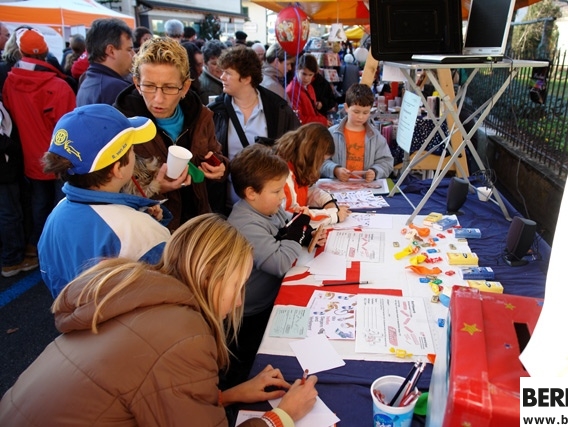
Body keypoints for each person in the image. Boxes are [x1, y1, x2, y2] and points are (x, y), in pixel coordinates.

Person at [0, 213, 319, 426]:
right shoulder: (184, 336)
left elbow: (144, 389)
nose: (238, 301)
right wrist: (283, 416)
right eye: (236, 287)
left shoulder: (140, 295)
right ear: (208, 276)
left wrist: (228, 395)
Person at [38, 104, 172, 298]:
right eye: (132, 150)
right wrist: (145, 225)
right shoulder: (141, 233)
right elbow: (170, 293)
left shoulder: (57, 212)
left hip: (73, 313)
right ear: (117, 169)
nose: (135, 154)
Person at [226, 143, 325, 389]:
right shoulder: (245, 224)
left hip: (269, 297)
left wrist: (307, 235)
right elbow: (280, 262)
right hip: (249, 313)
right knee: (249, 362)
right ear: (251, 193)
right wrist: (297, 233)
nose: (283, 197)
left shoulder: (268, 209)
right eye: (277, 191)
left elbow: (286, 228)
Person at [114, 37, 226, 231]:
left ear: (185, 87)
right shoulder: (119, 124)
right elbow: (109, 192)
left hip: (197, 224)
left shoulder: (201, 116)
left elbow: (214, 152)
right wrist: (155, 189)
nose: (158, 99)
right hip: (150, 231)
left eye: (169, 87)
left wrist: (220, 167)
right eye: (149, 86)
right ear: (137, 84)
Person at [2, 28, 76, 258]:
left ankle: (37, 245)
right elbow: (70, 128)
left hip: (29, 158)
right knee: (62, 207)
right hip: (59, 159)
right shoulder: (58, 86)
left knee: (39, 204)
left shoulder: (10, 82)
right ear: (46, 52)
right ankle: (55, 250)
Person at [208, 46, 299, 214]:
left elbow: (295, 150)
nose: (222, 77)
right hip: (227, 205)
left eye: (228, 73)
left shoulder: (278, 109)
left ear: (246, 78)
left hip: (268, 209)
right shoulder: (214, 112)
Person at [275, 123, 350, 227]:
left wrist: (328, 202)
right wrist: (333, 216)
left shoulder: (297, 164)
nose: (320, 165)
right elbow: (292, 216)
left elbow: (308, 191)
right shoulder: (284, 175)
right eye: (321, 160)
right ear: (312, 156)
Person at [321, 83, 394, 182]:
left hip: (365, 187)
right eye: (356, 112)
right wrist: (335, 170)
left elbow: (386, 162)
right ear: (346, 107)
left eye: (365, 112)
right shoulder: (331, 134)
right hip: (339, 186)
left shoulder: (376, 137)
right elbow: (319, 161)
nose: (360, 117)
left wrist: (375, 171)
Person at [0, 96, 38, 278]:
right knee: (10, 214)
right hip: (4, 170)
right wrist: (17, 148)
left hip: (6, 168)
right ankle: (12, 260)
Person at [76, 18, 134, 106]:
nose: (134, 55)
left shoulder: (87, 80)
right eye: (129, 50)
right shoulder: (115, 88)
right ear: (111, 51)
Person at [286, 53, 330, 126]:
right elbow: (298, 119)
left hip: (310, 127)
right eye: (304, 74)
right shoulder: (292, 91)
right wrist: (322, 120)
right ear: (297, 70)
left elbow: (313, 111)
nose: (307, 78)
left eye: (310, 75)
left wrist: (323, 119)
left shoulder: (309, 87)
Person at [199, 39, 226, 104]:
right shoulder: (208, 90)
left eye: (222, 62)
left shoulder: (217, 79)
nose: (220, 67)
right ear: (205, 63)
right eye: (214, 63)